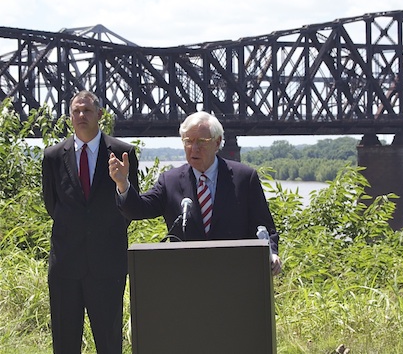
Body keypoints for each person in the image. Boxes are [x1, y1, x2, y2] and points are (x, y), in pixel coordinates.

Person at [108, 111, 282, 275]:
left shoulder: (244, 178)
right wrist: (123, 183)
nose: (194, 148)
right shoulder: (170, 181)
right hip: (186, 276)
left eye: (201, 141)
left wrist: (271, 253)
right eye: (188, 141)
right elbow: (138, 209)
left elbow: (264, 226)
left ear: (217, 142)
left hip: (235, 274)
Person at [42, 90, 140, 354]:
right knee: (64, 342)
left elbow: (130, 205)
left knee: (109, 343)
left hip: (107, 264)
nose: (81, 115)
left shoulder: (122, 152)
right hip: (65, 264)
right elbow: (52, 205)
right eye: (76, 111)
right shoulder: (52, 156)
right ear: (70, 117)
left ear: (100, 114)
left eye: (86, 110)